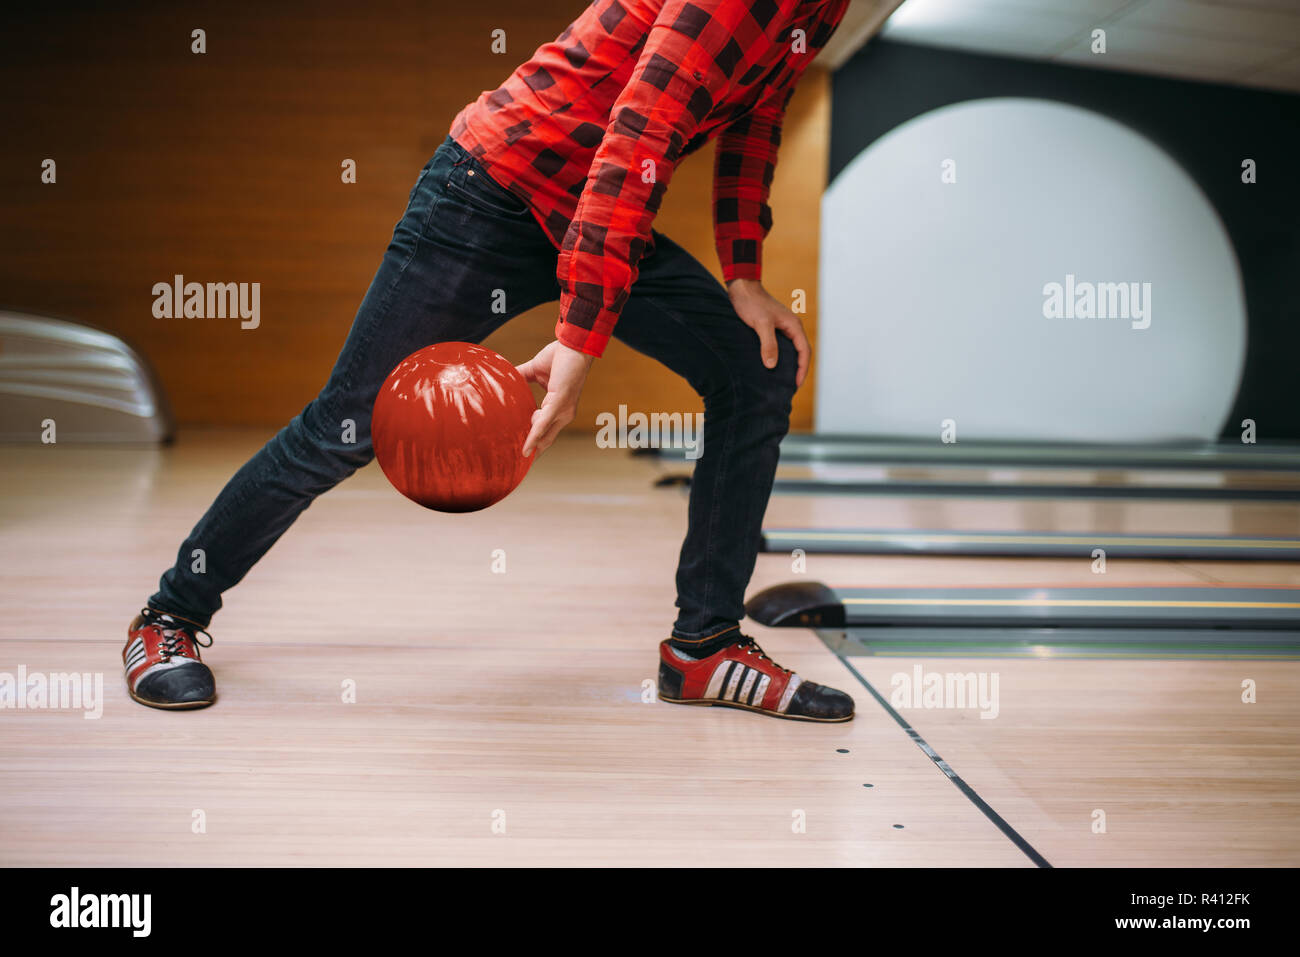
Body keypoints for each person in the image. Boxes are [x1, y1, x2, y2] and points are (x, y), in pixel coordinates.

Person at [122, 0, 856, 722]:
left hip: (588, 205)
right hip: (493, 187)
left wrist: (745, 275)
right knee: (345, 426)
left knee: (755, 369)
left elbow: (758, 118)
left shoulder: (825, 7)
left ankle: (705, 648)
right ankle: (168, 616)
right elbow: (641, 137)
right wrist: (582, 336)